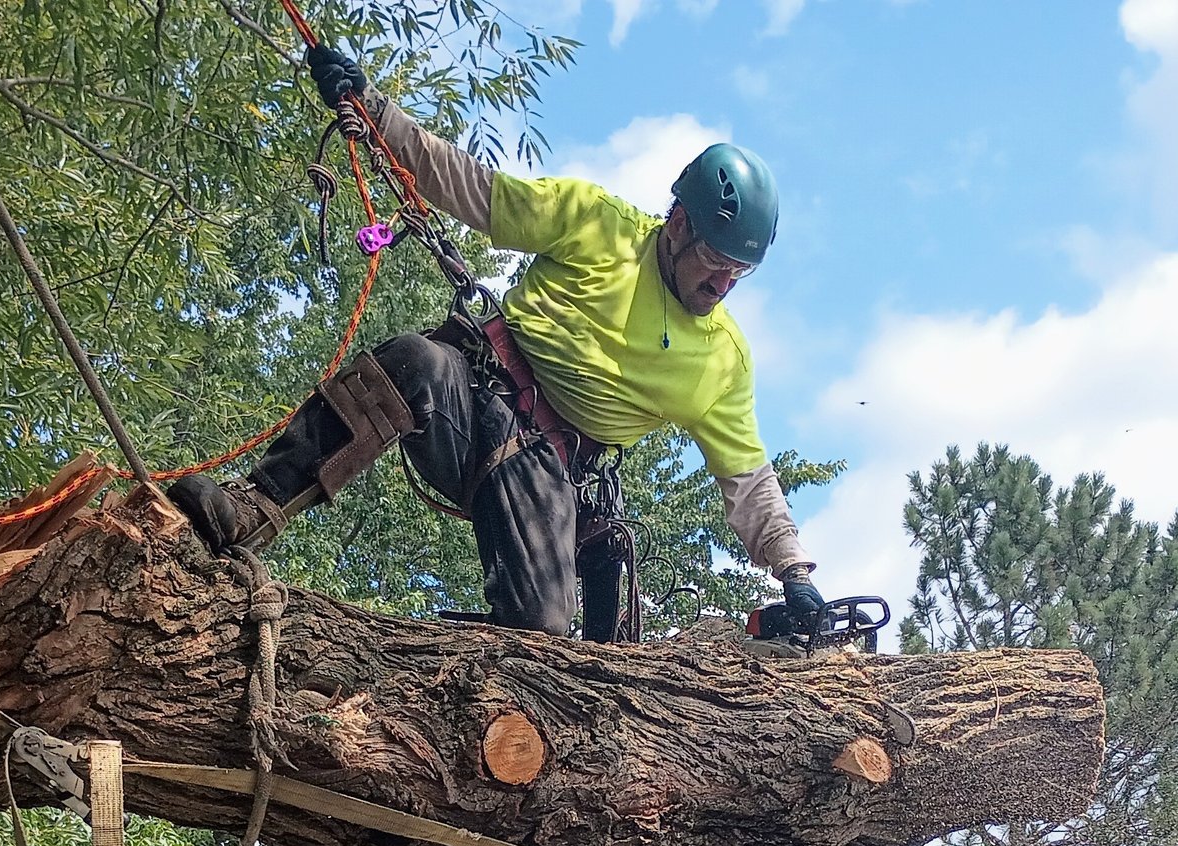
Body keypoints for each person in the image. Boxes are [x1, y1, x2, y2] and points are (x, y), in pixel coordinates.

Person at [167, 43, 831, 642]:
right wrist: (373, 109)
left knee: (541, 631)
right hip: (472, 391)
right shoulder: (596, 222)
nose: (723, 283)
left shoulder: (721, 360)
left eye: (740, 272)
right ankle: (252, 508)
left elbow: (749, 480)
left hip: (549, 468)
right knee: (415, 361)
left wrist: (795, 574)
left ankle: (447, 668)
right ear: (678, 222)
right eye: (715, 260)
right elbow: (469, 187)